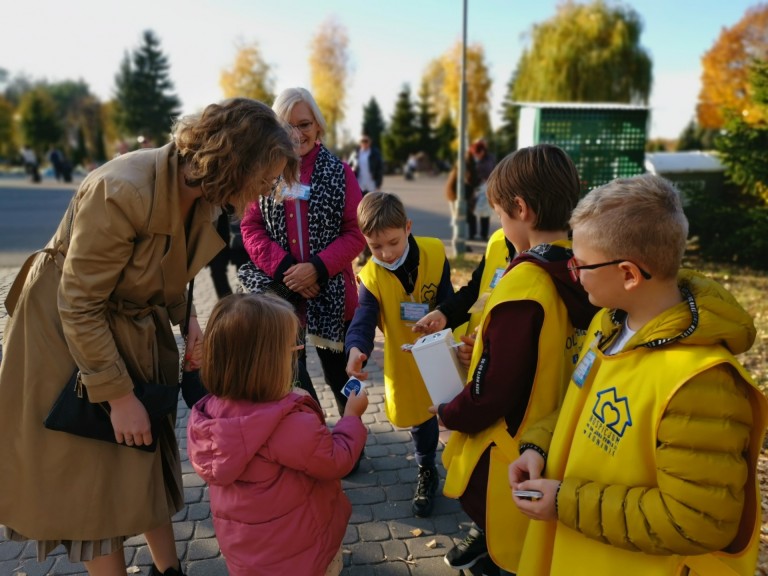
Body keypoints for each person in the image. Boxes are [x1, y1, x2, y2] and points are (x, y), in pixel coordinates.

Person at [0, 98, 299, 576]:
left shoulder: (200, 191)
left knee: (145, 455)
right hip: (67, 339)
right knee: (96, 479)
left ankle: (168, 571)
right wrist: (117, 395)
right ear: (234, 162)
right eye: (263, 178)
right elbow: (79, 304)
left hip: (125, 324)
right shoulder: (121, 191)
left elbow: (169, 266)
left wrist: (189, 321)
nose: (265, 191)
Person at [510, 173, 768, 576]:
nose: (573, 272)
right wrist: (539, 447)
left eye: (581, 264)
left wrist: (565, 501)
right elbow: (579, 406)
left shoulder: (701, 384)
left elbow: (696, 520)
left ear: (629, 274)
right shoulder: (607, 324)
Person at [430, 144, 598, 574]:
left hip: (512, 458)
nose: (501, 225)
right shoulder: (590, 270)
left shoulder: (523, 284)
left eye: (501, 215)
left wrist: (450, 412)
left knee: (507, 554)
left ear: (520, 209)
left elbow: (491, 393)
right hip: (563, 440)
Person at [187, 293, 368, 576]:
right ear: (266, 363)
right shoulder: (287, 423)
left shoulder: (209, 413)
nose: (297, 350)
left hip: (248, 555)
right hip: (302, 555)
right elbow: (336, 460)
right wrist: (352, 417)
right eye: (291, 348)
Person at [238, 87, 366, 423]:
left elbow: (356, 231)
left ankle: (351, 439)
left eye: (304, 124)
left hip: (332, 293)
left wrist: (317, 269)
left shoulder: (340, 172)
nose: (296, 135)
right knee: (293, 377)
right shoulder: (264, 172)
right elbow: (250, 228)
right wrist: (288, 271)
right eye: (287, 126)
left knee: (340, 377)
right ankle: (315, 437)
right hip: (282, 295)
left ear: (319, 127)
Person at [345, 191, 454, 517]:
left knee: (456, 410)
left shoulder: (435, 252)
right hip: (405, 362)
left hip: (444, 351)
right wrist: (355, 349)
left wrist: (445, 315)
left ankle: (468, 467)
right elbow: (362, 320)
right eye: (375, 246)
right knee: (421, 420)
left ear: (407, 227)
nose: (386, 253)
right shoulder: (371, 277)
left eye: (392, 242)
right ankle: (426, 469)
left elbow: (449, 297)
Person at [349, 134, 384, 265]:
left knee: (372, 218)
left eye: (366, 141)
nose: (364, 143)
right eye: (362, 141)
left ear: (370, 142)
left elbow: (379, 169)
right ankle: (363, 253)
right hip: (358, 188)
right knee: (360, 219)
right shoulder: (356, 154)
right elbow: (349, 167)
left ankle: (371, 252)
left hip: (371, 187)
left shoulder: (374, 154)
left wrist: (378, 184)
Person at [445, 151, 480, 243]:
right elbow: (470, 180)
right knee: (461, 217)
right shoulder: (466, 167)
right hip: (456, 195)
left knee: (458, 217)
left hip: (453, 194)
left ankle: (459, 238)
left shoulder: (458, 165)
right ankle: (459, 240)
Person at [470, 139, 496, 241]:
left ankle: (484, 234)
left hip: (486, 186)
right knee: (471, 212)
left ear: (482, 152)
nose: (476, 156)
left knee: (485, 212)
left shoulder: (489, 160)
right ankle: (472, 233)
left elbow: (491, 172)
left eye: (477, 154)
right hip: (476, 187)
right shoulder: (475, 159)